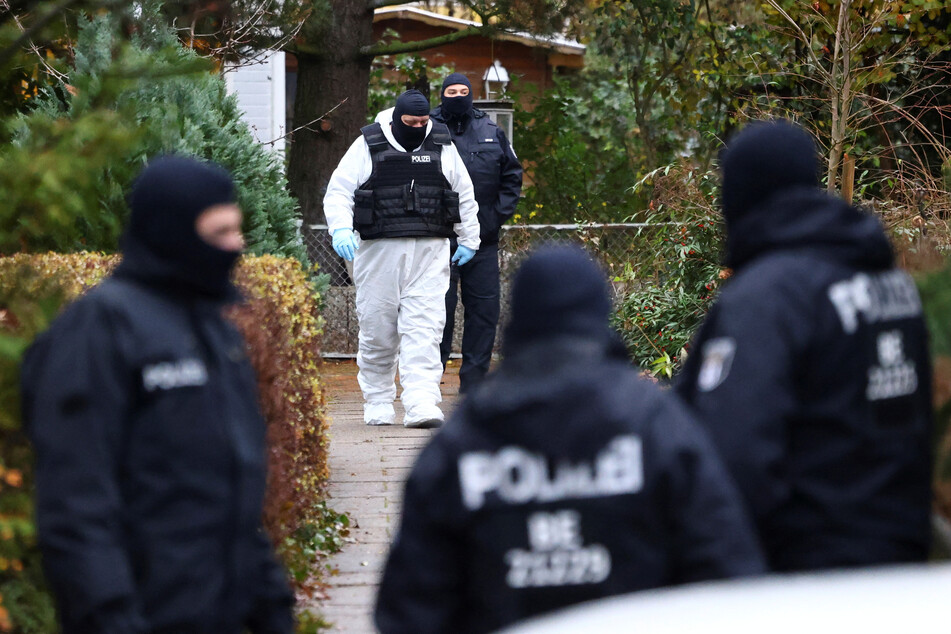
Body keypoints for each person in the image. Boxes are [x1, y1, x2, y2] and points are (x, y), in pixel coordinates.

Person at [375, 245, 765, 634]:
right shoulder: (654, 423)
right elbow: (725, 567)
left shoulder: (464, 440)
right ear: (599, 315)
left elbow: (410, 605)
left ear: (519, 321)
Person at [20, 156, 295, 633]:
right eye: (218, 233)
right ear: (171, 233)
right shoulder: (99, 331)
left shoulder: (217, 333)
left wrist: (270, 599)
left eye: (237, 230)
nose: (236, 246)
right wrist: (111, 615)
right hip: (142, 615)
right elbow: (76, 506)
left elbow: (229, 491)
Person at [675, 120, 934, 572]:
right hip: (899, 561)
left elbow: (733, 455)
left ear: (741, 193)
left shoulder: (769, 297)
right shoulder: (890, 284)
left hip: (805, 578)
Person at [324, 89, 481, 428]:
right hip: (379, 252)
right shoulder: (369, 143)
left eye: (423, 122)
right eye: (410, 123)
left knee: (424, 329)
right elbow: (339, 190)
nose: (418, 127)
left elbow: (464, 195)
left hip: (429, 251)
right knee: (377, 330)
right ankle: (379, 399)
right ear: (396, 120)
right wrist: (339, 228)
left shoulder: (442, 144)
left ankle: (422, 401)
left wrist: (470, 239)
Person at [432, 72, 523, 394]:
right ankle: (428, 383)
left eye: (463, 91)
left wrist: (493, 220)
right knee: (435, 313)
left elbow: (512, 177)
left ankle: (473, 385)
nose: (457, 96)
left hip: (483, 241)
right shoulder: (427, 129)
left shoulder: (491, 130)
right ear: (441, 95)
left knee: (483, 312)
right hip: (437, 240)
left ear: (471, 94)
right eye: (451, 91)